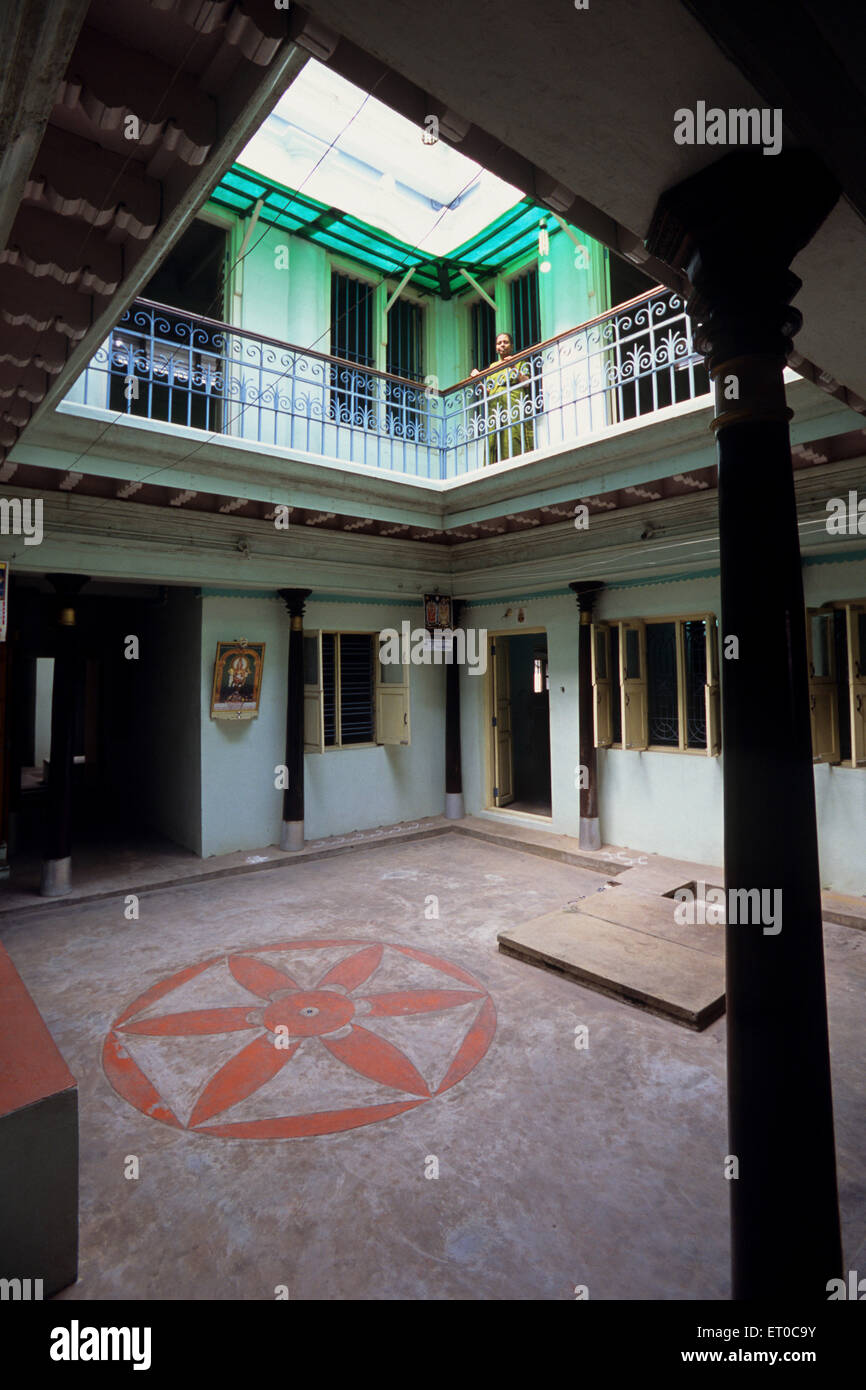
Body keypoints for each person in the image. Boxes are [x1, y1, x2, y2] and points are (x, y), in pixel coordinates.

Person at [470, 331, 535, 465]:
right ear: (496, 347)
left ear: (511, 346)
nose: (502, 345)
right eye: (499, 343)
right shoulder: (493, 367)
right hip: (495, 407)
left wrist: (513, 367)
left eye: (505, 342)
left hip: (513, 404)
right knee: (494, 438)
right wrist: (477, 381)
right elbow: (488, 391)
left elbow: (527, 383)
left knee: (515, 434)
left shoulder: (519, 360)